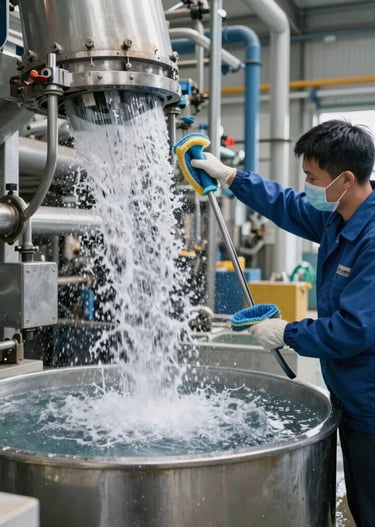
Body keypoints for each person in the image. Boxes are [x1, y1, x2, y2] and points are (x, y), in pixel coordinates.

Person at [191, 119, 375, 527]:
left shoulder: (372, 240)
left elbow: (353, 330)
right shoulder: (339, 216)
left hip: (371, 400)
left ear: (345, 179)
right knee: (362, 500)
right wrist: (232, 177)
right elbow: (287, 204)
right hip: (353, 392)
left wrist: (288, 332)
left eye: (313, 177)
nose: (307, 184)